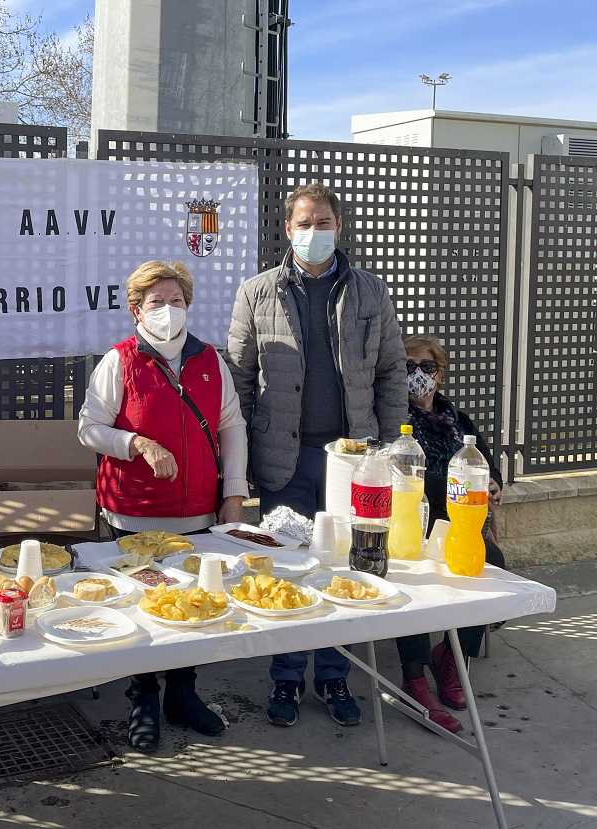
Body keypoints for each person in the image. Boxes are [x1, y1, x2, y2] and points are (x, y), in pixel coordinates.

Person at [226, 182, 408, 729]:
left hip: (353, 460)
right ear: (288, 229)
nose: (313, 232)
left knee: (343, 566)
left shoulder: (371, 292)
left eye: (322, 222)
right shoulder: (257, 293)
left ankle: (334, 675)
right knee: (287, 567)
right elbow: (238, 382)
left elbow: (391, 372)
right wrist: (241, 462)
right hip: (283, 460)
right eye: (303, 223)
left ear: (338, 226)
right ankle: (286, 677)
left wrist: (386, 449)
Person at [78, 260, 249, 752]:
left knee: (194, 603)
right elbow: (89, 427)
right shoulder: (120, 361)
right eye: (156, 302)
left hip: (198, 513)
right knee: (143, 607)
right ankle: (143, 698)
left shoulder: (210, 360)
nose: (168, 310)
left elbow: (232, 425)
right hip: (132, 513)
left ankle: (183, 693)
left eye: (176, 301)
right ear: (136, 310)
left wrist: (234, 494)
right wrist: (137, 444)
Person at [394, 335, 506, 733]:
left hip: (459, 524)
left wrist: (492, 483)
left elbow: (488, 466)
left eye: (426, 367)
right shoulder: (395, 419)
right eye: (409, 366)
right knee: (412, 583)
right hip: (415, 524)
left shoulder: (458, 420)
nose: (418, 375)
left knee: (492, 565)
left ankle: (453, 657)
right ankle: (414, 679)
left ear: (439, 375)